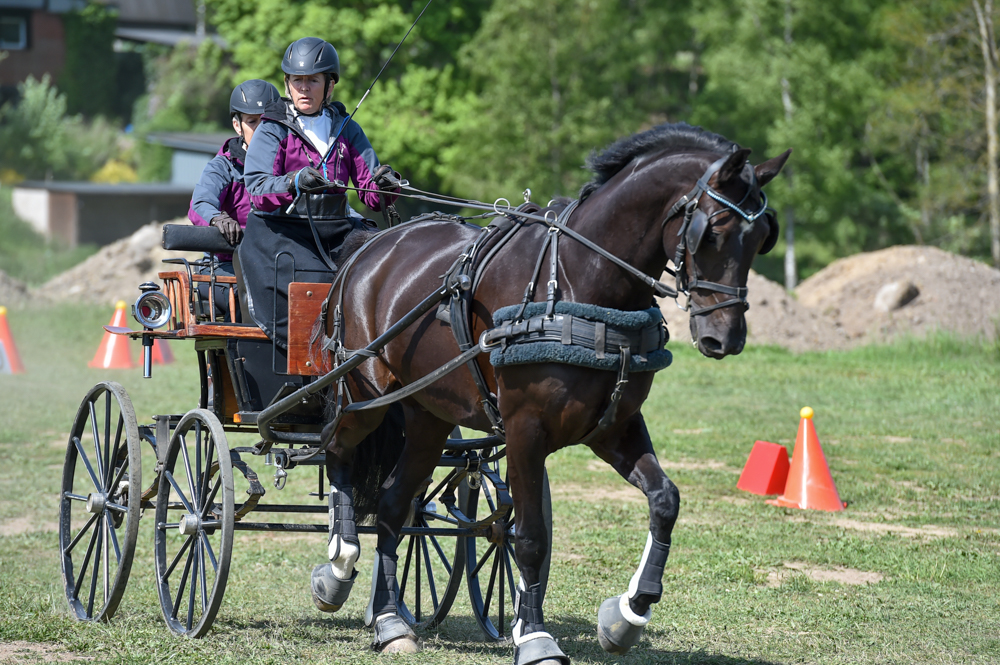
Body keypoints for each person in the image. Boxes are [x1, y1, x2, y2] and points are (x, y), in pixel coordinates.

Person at [243, 36, 401, 347]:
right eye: (297, 80)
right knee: (321, 281)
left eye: (313, 80)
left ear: (329, 86)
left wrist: (386, 185)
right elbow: (257, 188)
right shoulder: (272, 128)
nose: (304, 88)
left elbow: (370, 193)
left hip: (337, 228)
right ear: (288, 84)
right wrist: (294, 182)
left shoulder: (347, 127)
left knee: (386, 264)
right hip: (285, 231)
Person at [188, 79, 281, 321]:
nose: (261, 130)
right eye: (252, 122)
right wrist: (217, 218)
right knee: (256, 295)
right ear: (237, 125)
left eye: (267, 122)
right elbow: (200, 204)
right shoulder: (222, 167)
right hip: (228, 266)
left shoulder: (290, 165)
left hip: (278, 265)